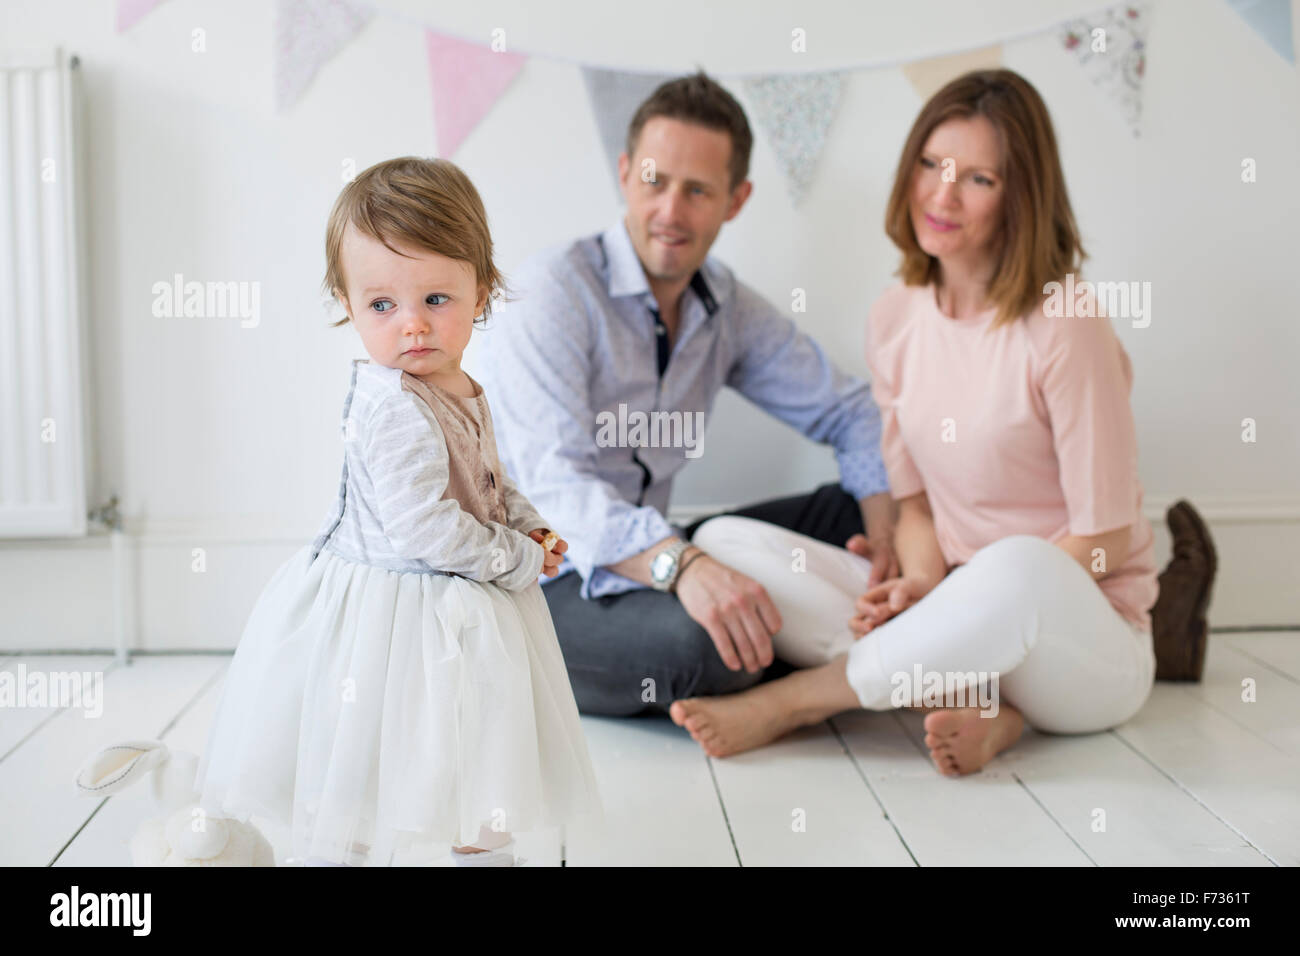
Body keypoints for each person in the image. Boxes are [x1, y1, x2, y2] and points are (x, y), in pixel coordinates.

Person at [669, 69, 1216, 773]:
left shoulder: (1064, 322)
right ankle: (978, 697)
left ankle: (802, 700)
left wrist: (961, 599)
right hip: (958, 616)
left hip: (1083, 642)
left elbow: (1105, 536)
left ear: (1021, 195)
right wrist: (921, 587)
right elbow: (917, 507)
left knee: (1018, 566)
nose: (941, 194)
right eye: (931, 164)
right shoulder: (896, 317)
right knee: (726, 542)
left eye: (978, 179)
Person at [195, 157, 602, 866]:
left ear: (482, 289)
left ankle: (479, 847)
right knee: (367, 749)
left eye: (436, 299)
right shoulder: (391, 407)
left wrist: (527, 522)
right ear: (347, 303)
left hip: (455, 593)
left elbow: (486, 479)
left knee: (474, 748)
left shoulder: (463, 384)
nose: (411, 326)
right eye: (382, 305)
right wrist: (518, 558)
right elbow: (425, 526)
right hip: (386, 603)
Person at [479, 72, 899, 717]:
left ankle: (869, 629)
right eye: (655, 181)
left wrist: (888, 546)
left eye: (698, 190)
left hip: (657, 550)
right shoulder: (552, 292)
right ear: (625, 173)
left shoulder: (724, 303)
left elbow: (849, 410)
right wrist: (688, 568)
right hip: (544, 579)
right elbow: (555, 491)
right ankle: (841, 665)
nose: (671, 212)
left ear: (736, 199)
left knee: (855, 512)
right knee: (706, 649)